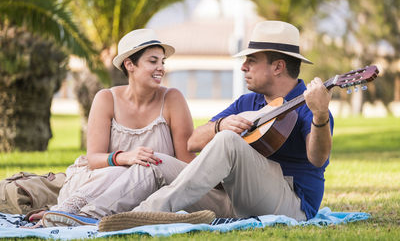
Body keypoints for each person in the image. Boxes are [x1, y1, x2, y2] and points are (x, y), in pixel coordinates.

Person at [98, 20, 334, 231]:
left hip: (291, 205)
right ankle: (95, 216)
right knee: (157, 161)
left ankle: (143, 214)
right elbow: (193, 141)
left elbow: (318, 159)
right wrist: (219, 126)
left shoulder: (310, 104)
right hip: (235, 199)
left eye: (251, 61)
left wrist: (320, 114)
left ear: (278, 67)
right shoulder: (248, 102)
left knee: (228, 142)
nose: (243, 67)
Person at [30, 29, 198, 227]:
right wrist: (123, 158)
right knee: (119, 171)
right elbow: (93, 158)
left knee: (136, 169)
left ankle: (66, 217)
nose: (161, 68)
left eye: (163, 62)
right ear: (129, 64)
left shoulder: (172, 99)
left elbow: (185, 162)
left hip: (148, 189)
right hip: (97, 183)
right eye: (153, 61)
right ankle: (69, 212)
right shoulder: (106, 99)